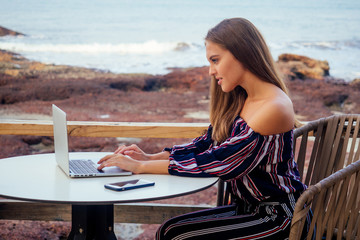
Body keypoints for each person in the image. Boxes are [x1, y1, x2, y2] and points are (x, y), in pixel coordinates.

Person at [98, 18, 311, 240]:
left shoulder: (273, 107)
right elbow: (207, 143)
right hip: (248, 210)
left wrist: (142, 166)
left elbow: (220, 161)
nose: (211, 71)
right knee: (169, 230)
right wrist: (151, 157)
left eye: (215, 60)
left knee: (175, 235)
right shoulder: (244, 98)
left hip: (280, 218)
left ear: (243, 52)